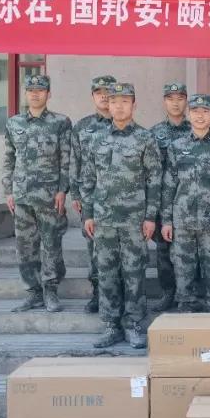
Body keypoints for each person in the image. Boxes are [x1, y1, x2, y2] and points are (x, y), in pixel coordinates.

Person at [80, 82, 161, 349]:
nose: (119, 106)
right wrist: (88, 214)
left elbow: (154, 180)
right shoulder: (96, 138)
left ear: (134, 105)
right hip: (104, 219)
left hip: (134, 220)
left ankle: (134, 324)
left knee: (134, 272)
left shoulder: (145, 138)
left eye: (125, 101)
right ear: (108, 104)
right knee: (107, 273)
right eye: (114, 101)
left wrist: (150, 217)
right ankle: (111, 325)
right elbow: (88, 179)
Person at [2, 75, 72, 314]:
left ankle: (50, 290)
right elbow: (8, 158)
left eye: (40, 90)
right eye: (30, 90)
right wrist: (8, 190)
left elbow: (66, 159)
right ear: (25, 93)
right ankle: (33, 292)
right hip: (22, 195)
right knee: (25, 246)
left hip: (49, 196)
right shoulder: (14, 123)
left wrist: (62, 189)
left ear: (48, 94)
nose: (35, 94)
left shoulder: (60, 122)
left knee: (51, 243)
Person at [161, 93, 210, 313]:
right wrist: (166, 220)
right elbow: (169, 185)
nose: (200, 116)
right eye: (195, 112)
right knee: (183, 267)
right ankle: (186, 304)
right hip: (182, 220)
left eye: (205, 111)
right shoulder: (176, 146)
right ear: (188, 115)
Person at [69, 74, 116, 313]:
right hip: (92, 199)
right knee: (95, 250)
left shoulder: (124, 124)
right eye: (99, 92)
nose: (104, 96)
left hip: (121, 200)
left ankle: (119, 295)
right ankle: (98, 294)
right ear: (93, 96)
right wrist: (75, 194)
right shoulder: (82, 127)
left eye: (108, 92)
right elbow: (75, 162)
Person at [149, 82, 191, 311]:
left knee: (190, 251)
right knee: (163, 251)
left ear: (186, 101)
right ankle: (168, 292)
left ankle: (190, 293)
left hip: (188, 200)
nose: (175, 103)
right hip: (163, 200)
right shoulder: (153, 133)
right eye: (170, 98)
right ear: (164, 102)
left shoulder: (195, 129)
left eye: (180, 98)